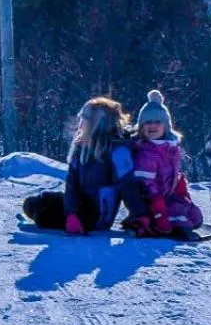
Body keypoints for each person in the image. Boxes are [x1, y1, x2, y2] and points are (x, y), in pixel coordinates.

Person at [21, 96, 148, 233]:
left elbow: (127, 185)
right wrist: (71, 213)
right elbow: (72, 184)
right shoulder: (81, 147)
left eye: (84, 119)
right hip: (81, 205)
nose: (80, 124)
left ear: (96, 123)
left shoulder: (117, 150)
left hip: (97, 215)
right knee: (38, 201)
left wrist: (140, 215)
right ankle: (64, 214)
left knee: (44, 215)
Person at [124, 90, 203, 236]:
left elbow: (172, 172)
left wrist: (180, 187)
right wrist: (159, 210)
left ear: (166, 126)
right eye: (147, 122)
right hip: (150, 201)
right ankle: (143, 221)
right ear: (141, 126)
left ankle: (175, 221)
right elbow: (146, 185)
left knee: (196, 218)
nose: (152, 125)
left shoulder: (170, 148)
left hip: (167, 195)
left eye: (157, 122)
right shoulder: (146, 152)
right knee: (179, 221)